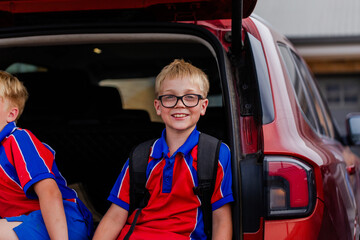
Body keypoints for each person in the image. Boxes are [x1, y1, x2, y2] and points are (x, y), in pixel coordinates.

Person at [93, 59, 233, 239]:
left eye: (190, 97)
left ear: (203, 106)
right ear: (158, 107)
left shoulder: (215, 154)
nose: (179, 104)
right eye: (170, 97)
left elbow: (221, 218)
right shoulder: (141, 156)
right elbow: (115, 216)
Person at [0, 71, 93, 240]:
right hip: (21, 222)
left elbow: (50, 193)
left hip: (61, 223)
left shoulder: (18, 139)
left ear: (11, 114)